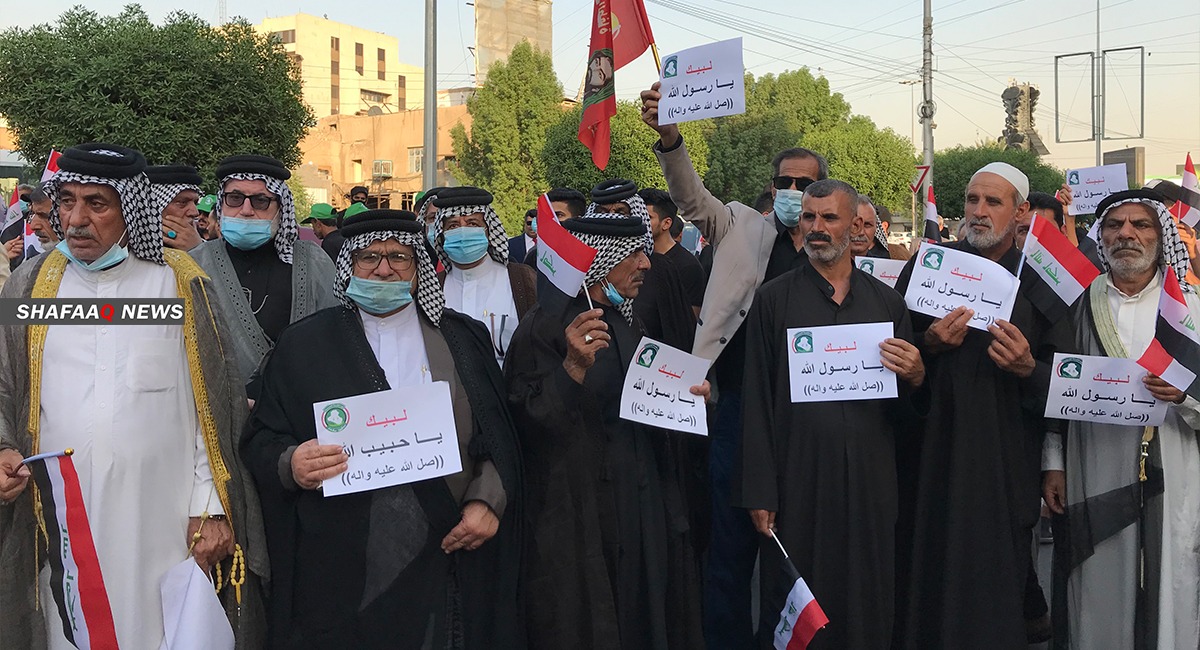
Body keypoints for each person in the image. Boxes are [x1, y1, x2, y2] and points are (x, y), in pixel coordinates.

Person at [0, 143, 266, 648]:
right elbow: (3, 382)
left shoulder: (179, 285)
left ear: (130, 211)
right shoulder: (30, 287)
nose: (77, 219)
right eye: (68, 201)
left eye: (97, 204)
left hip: (161, 520)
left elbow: (212, 401)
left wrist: (209, 503)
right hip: (56, 512)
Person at [242, 208, 522, 649]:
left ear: (418, 268)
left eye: (399, 257)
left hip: (447, 550)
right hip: (343, 567)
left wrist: (488, 501)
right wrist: (291, 462)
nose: (384, 268)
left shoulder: (461, 338)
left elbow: (498, 434)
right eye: (368, 258)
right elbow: (261, 438)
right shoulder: (303, 345)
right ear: (348, 266)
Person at [641, 80, 827, 649]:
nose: (796, 192)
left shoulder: (834, 248)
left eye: (807, 184)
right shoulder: (739, 225)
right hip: (736, 416)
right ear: (773, 189)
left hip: (804, 419)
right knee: (728, 550)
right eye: (787, 183)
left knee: (792, 550)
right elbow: (692, 198)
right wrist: (670, 138)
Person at [506, 198, 708, 650]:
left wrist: (691, 398)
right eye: (634, 254)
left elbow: (645, 403)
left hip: (640, 502)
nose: (644, 264)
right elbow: (525, 421)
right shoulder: (543, 329)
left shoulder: (624, 323)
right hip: (578, 513)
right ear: (600, 261)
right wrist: (572, 368)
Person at [737, 179, 926, 650]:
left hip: (870, 482)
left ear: (854, 225)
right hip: (799, 479)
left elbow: (906, 416)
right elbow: (756, 399)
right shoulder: (772, 301)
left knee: (868, 597)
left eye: (829, 218)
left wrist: (918, 375)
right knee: (802, 601)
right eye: (809, 217)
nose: (817, 228)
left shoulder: (887, 304)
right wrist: (760, 489)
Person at [894, 162, 1071, 649]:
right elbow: (890, 343)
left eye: (992, 202)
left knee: (999, 579)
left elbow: (1064, 378)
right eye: (972, 200)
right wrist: (927, 342)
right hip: (932, 454)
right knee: (926, 567)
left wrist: (1026, 367)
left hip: (1004, 458)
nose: (978, 211)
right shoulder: (930, 266)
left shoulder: (1042, 283)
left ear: (1020, 214)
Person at [1042, 189, 1200, 649]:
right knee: (1098, 581)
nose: (1126, 234)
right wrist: (1053, 461)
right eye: (1115, 225)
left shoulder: (1188, 309)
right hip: (1093, 462)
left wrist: (1187, 395)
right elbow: (1055, 388)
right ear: (1101, 236)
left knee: (1173, 576)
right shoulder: (1074, 304)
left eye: (1141, 225)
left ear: (1160, 236)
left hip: (1176, 462)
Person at [190, 154, 339, 396]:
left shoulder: (312, 262)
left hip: (296, 417)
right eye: (235, 198)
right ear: (222, 204)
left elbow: (336, 342)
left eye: (260, 201)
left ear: (281, 209)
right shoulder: (195, 263)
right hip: (214, 415)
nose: (246, 210)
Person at [430, 187, 537, 366]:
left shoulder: (521, 280)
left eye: (472, 224)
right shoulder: (433, 287)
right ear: (443, 235)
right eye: (453, 226)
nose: (463, 232)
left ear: (488, 231)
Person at [641, 187, 706, 318]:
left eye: (648, 218)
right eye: (638, 215)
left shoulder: (688, 266)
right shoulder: (637, 258)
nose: (642, 222)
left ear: (666, 223)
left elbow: (690, 320)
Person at [522, 187, 588, 268]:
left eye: (558, 215)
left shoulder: (592, 255)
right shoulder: (535, 255)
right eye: (548, 215)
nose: (551, 221)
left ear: (578, 219)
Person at [146, 164, 205, 251]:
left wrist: (197, 250)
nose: (195, 212)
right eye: (182, 202)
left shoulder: (210, 250)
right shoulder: (125, 252)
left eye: (195, 203)